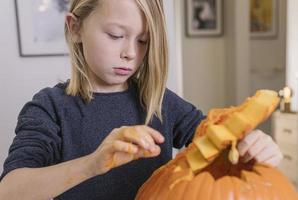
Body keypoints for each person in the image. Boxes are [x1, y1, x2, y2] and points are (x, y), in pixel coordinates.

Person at [0, 0, 283, 199]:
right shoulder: (49, 108)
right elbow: (10, 190)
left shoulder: (158, 102)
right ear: (75, 28)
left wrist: (256, 146)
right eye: (116, 35)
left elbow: (217, 139)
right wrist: (92, 164)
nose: (130, 53)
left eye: (143, 40)